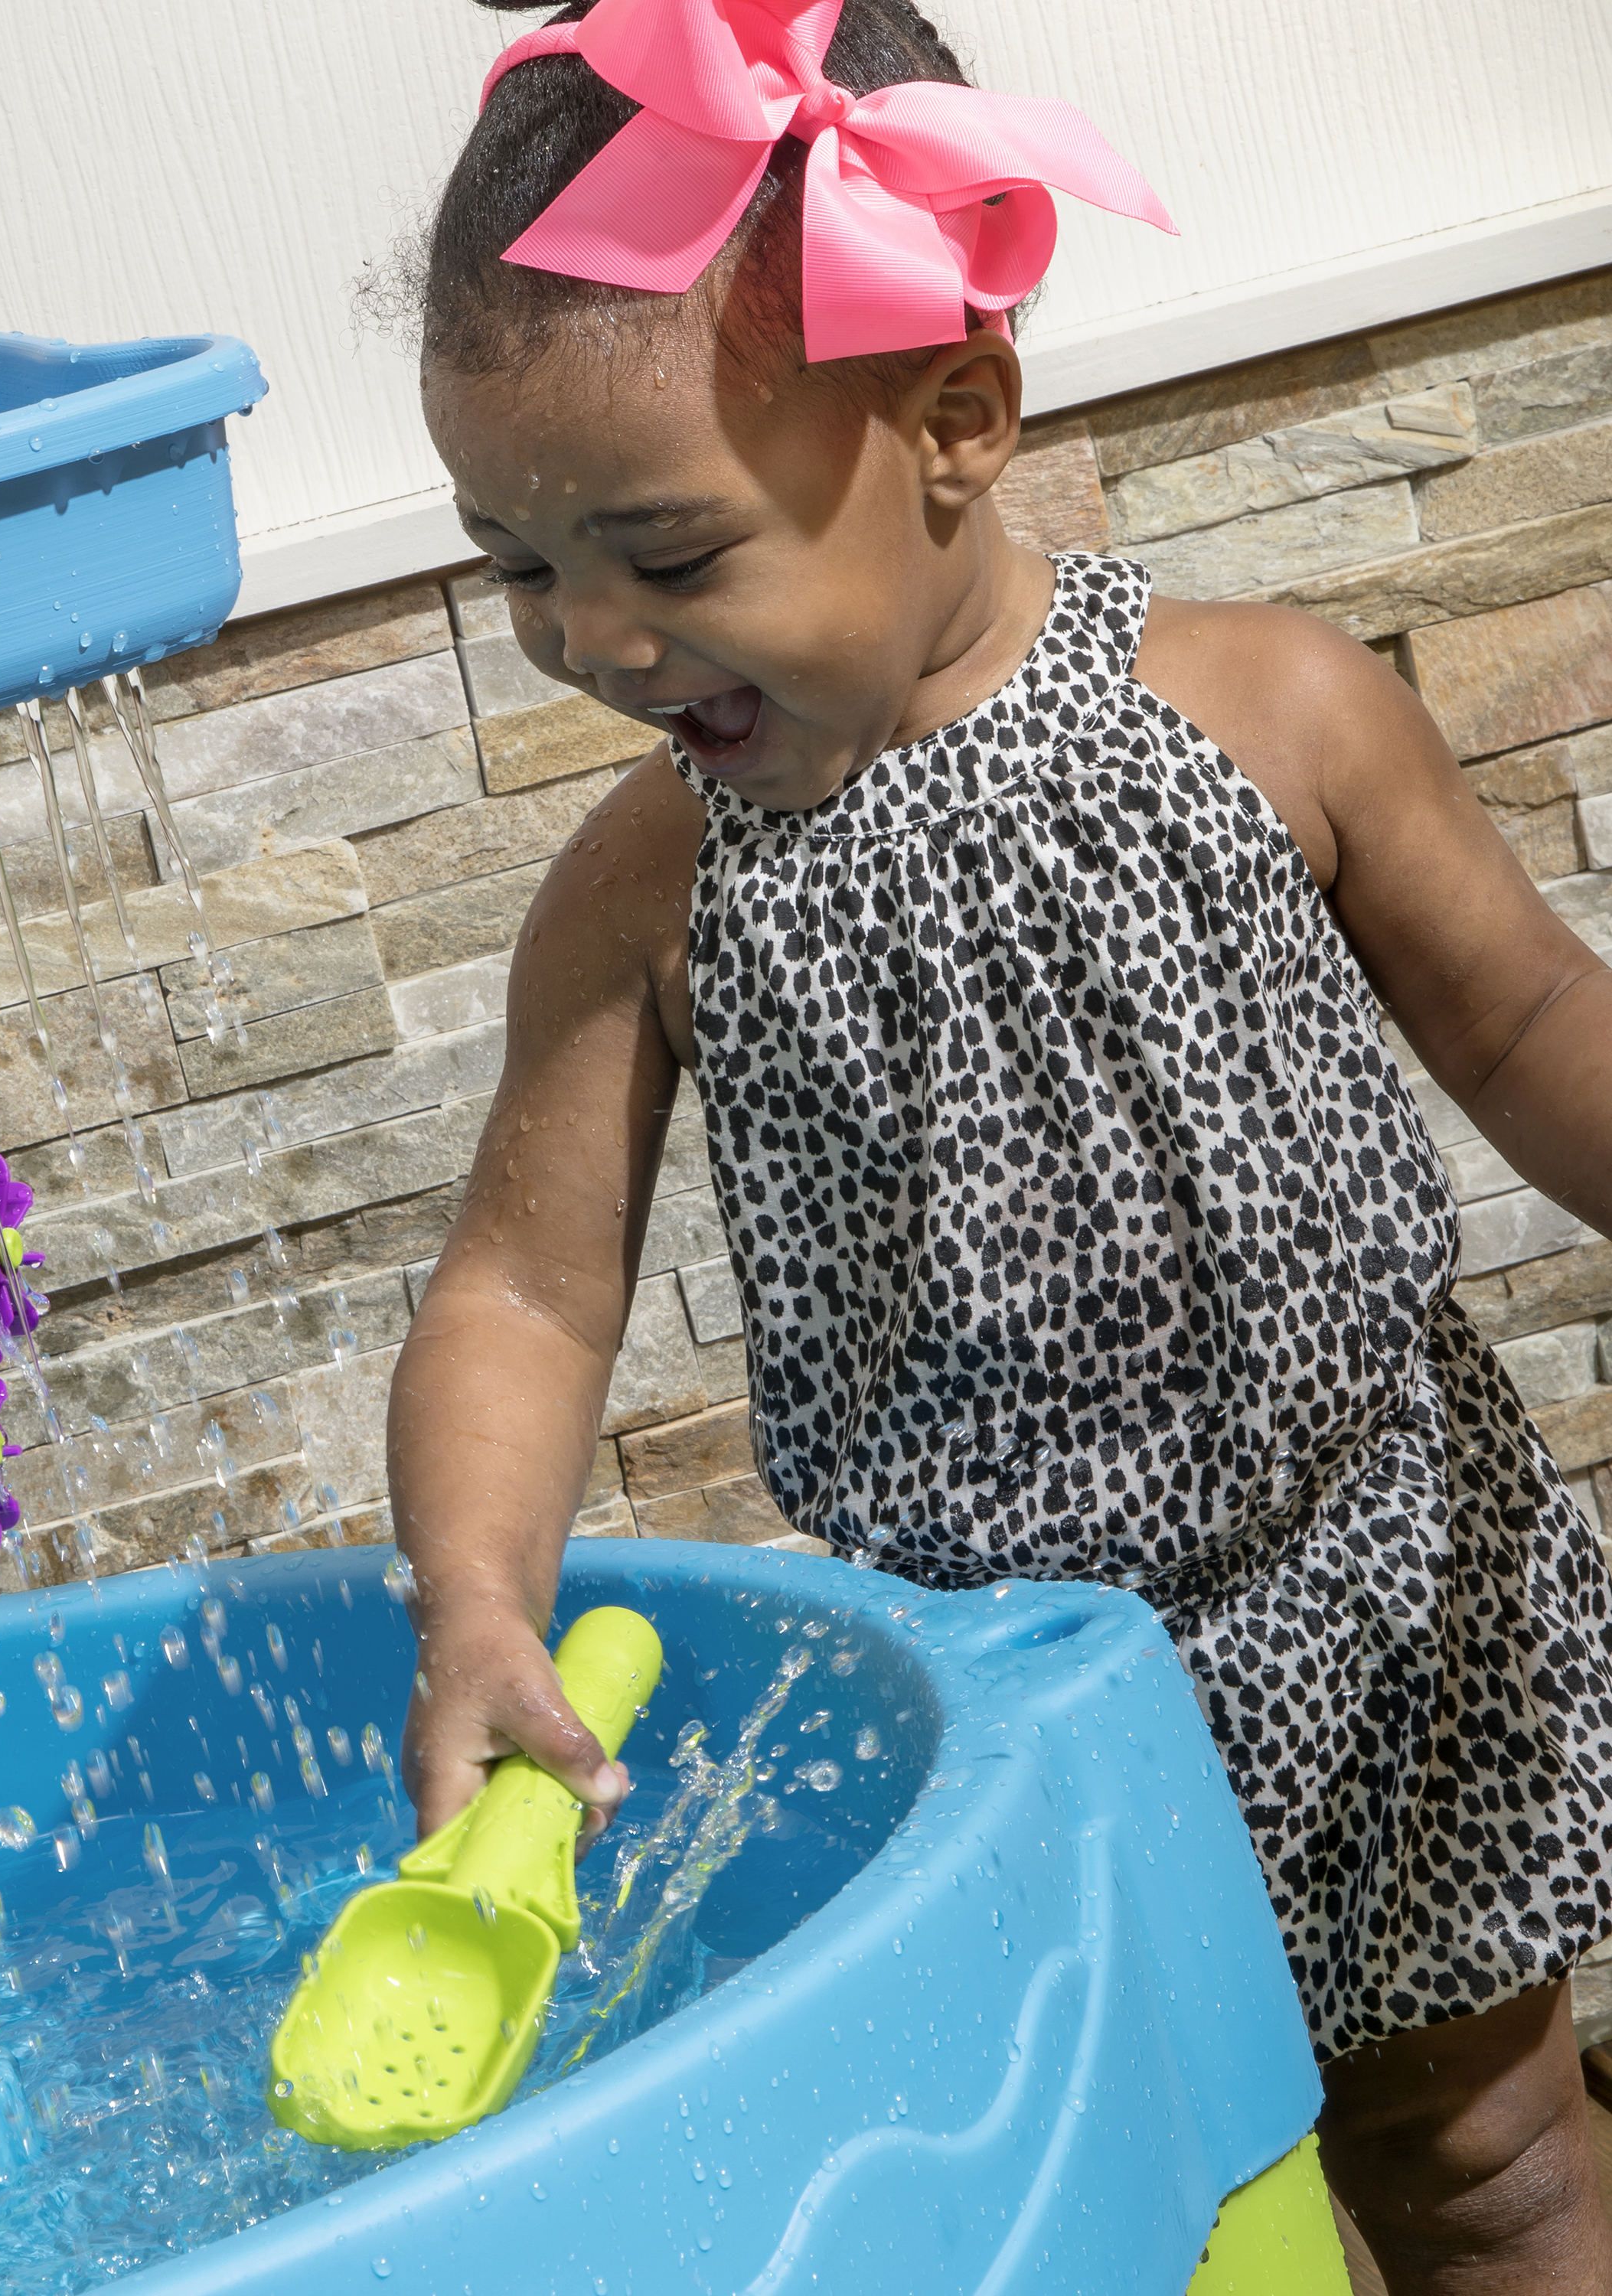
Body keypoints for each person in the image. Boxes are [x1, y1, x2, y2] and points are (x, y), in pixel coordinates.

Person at [385, 2, 1612, 2287]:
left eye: (663, 551)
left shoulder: (1266, 712)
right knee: (1120, 2204)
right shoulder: (650, 891)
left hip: (1364, 1595)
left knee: (1485, 2158)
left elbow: (1538, 1019)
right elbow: (527, 1291)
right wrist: (476, 1593)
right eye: (517, 567)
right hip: (1004, 1701)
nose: (594, 639)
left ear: (955, 422)